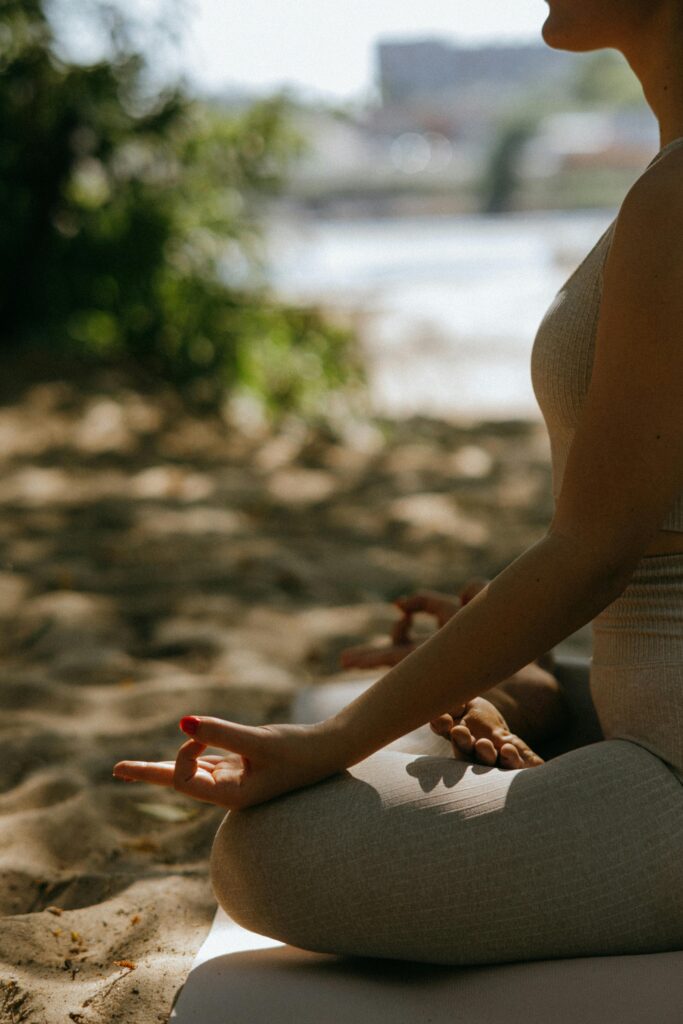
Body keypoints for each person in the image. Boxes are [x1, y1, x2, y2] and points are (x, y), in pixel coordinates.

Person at [113, 0, 683, 965]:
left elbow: (593, 550)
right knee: (342, 710)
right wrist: (527, 671)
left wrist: (331, 744)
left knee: (275, 847)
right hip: (641, 698)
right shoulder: (664, 181)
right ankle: (547, 698)